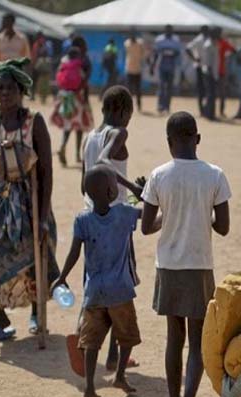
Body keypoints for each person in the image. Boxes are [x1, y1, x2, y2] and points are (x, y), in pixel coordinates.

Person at [140, 112, 231, 397]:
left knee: (173, 338)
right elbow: (223, 227)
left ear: (168, 142)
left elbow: (147, 226)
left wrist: (169, 210)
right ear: (198, 138)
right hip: (199, 265)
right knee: (197, 340)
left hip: (168, 266)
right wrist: (199, 209)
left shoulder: (158, 176)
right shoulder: (215, 175)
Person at [0, 58, 59, 342]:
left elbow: (46, 172)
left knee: (34, 259)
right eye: (0, 87)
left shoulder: (35, 123)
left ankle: (36, 312)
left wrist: (43, 217)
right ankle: (1, 320)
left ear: (21, 90)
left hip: (29, 203)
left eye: (10, 88)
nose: (5, 93)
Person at [54, 166, 146, 397]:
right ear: (110, 191)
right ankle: (120, 376)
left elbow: (74, 252)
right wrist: (145, 193)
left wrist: (62, 276)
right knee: (125, 336)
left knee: (91, 342)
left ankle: (90, 387)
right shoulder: (124, 214)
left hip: (94, 292)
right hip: (120, 291)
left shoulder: (83, 220)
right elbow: (146, 215)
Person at [80, 85, 145, 372]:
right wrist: (133, 188)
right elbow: (106, 162)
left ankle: (94, 350)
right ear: (122, 110)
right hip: (115, 221)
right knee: (119, 287)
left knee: (97, 284)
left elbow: (86, 181)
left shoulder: (88, 137)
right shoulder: (117, 133)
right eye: (129, 114)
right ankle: (114, 357)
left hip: (92, 215)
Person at [51, 37, 94, 166]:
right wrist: (83, 96)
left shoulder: (65, 59)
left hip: (65, 97)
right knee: (79, 126)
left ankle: (63, 145)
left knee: (67, 125)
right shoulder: (83, 60)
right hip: (79, 97)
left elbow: (59, 78)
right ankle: (77, 154)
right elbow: (86, 79)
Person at [152, 25, 182, 115]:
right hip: (162, 66)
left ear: (172, 31)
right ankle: (160, 106)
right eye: (167, 30)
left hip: (171, 66)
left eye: (170, 30)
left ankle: (167, 106)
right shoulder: (159, 39)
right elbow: (156, 53)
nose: (169, 32)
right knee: (161, 86)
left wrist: (172, 53)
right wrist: (152, 65)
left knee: (169, 88)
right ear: (165, 30)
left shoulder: (176, 40)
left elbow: (178, 52)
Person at [186, 26, 209, 116]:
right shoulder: (199, 39)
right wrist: (195, 59)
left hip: (207, 67)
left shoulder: (208, 39)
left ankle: (205, 109)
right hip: (200, 67)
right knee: (201, 90)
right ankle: (201, 110)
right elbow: (187, 48)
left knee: (206, 90)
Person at [215, 28, 235, 118]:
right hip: (213, 71)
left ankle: (221, 111)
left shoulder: (223, 42)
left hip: (221, 71)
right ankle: (211, 111)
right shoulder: (213, 42)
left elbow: (233, 50)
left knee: (222, 93)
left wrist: (227, 56)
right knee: (212, 92)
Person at [124, 29, 145, 112]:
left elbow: (143, 54)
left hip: (137, 70)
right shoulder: (127, 43)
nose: (132, 37)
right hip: (129, 69)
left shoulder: (140, 43)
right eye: (131, 35)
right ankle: (128, 107)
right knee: (129, 90)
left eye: (133, 35)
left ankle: (139, 106)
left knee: (138, 90)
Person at [30, 31, 52, 105]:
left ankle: (36, 95)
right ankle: (39, 96)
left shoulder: (40, 44)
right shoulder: (42, 44)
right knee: (40, 82)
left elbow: (35, 55)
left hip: (40, 65)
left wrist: (33, 64)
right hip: (41, 65)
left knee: (38, 81)